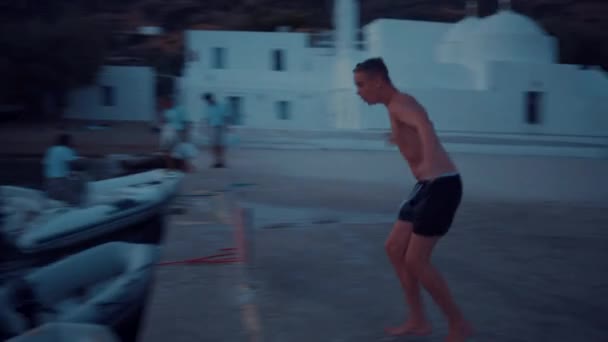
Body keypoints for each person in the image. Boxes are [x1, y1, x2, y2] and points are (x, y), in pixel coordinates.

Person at [353, 57, 473, 342]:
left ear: (378, 81)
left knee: (416, 261)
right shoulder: (395, 107)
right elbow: (413, 128)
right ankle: (419, 320)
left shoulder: (399, 103)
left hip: (441, 186)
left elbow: (424, 125)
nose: (358, 91)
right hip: (424, 187)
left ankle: (459, 324)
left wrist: (430, 159)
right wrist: (397, 137)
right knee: (394, 248)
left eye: (361, 84)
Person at [42, 133, 87, 206]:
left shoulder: (50, 150)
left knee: (74, 178)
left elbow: (46, 164)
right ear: (67, 141)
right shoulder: (66, 150)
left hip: (49, 183)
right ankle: (80, 204)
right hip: (61, 183)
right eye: (71, 141)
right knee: (81, 178)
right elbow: (75, 164)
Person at [202, 92, 230, 168]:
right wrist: (207, 129)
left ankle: (222, 161)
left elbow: (226, 117)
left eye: (209, 99)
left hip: (220, 127)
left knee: (221, 145)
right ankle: (215, 161)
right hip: (212, 128)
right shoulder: (208, 108)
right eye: (206, 100)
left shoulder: (221, 105)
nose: (208, 101)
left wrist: (227, 127)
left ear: (212, 98)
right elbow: (207, 119)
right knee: (213, 146)